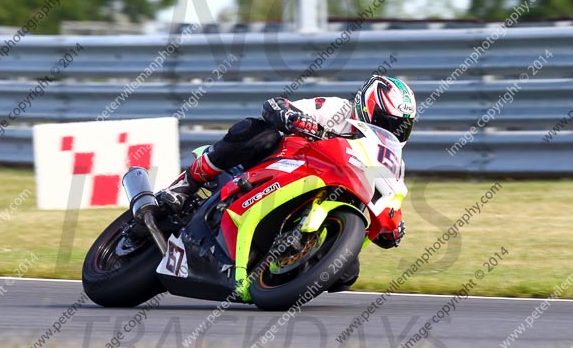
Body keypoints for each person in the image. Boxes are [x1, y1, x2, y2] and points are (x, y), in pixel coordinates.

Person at [158, 74, 417, 249]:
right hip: (284, 165)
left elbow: (388, 199)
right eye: (385, 122)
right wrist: (293, 117)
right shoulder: (337, 110)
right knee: (259, 132)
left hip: (323, 198)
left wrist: (391, 227)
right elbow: (275, 105)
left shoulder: (391, 160)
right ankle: (185, 185)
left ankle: (280, 269)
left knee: (347, 275)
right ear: (366, 107)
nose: (392, 131)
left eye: (400, 127)